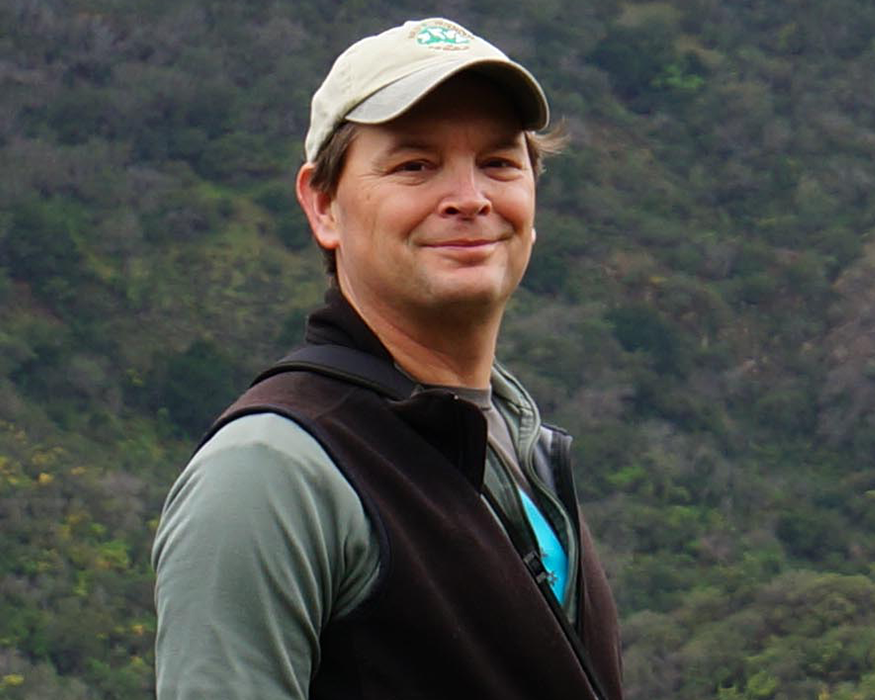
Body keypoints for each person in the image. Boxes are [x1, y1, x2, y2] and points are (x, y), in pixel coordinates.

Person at [151, 17, 623, 700]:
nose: (470, 198)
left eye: (498, 162)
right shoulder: (271, 474)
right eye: (415, 166)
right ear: (323, 204)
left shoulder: (512, 444)